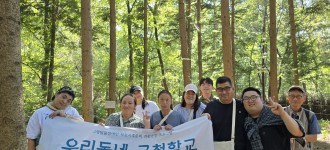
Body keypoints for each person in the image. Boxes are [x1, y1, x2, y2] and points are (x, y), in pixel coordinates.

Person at [203, 76, 250, 150]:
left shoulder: (242, 105)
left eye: (227, 88)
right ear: (216, 91)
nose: (224, 92)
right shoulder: (211, 106)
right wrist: (203, 118)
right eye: (220, 89)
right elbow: (203, 128)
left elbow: (256, 112)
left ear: (233, 89)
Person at [284, 85, 321, 150]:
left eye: (299, 96)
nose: (295, 99)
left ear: (304, 98)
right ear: (287, 98)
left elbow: (314, 137)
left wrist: (295, 137)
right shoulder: (280, 112)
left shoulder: (310, 115)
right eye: (292, 96)